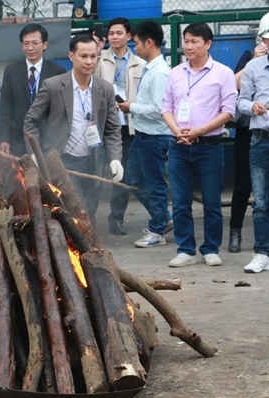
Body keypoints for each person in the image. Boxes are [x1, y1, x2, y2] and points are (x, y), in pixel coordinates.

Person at [24, 34, 124, 222]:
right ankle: (82, 246)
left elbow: (112, 129)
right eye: (83, 56)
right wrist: (35, 152)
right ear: (71, 56)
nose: (89, 61)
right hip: (63, 159)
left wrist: (115, 159)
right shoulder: (53, 86)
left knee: (90, 209)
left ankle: (85, 246)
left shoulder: (105, 89)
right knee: (76, 207)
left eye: (93, 56)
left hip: (93, 159)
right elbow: (31, 120)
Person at [161, 23, 237, 267]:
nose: (189, 46)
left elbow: (228, 112)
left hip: (209, 145)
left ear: (208, 43)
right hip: (178, 144)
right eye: (186, 41)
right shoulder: (175, 73)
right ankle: (186, 248)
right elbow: (166, 108)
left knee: (212, 200)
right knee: (181, 200)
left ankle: (211, 248)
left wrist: (198, 132)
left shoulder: (222, 73)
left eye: (194, 41)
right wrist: (178, 132)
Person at [119, 21, 172, 248]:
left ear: (149, 42)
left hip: (155, 136)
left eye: (137, 43)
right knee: (132, 181)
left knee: (154, 184)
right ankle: (163, 218)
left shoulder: (160, 73)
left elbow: (161, 111)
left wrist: (132, 107)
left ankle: (158, 229)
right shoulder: (150, 68)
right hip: (142, 135)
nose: (135, 47)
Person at [0, 23, 65, 193]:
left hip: (48, 140)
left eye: (35, 43)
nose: (30, 47)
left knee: (50, 187)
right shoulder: (12, 71)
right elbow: (5, 107)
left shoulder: (58, 72)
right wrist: (5, 138)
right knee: (22, 186)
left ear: (45, 45)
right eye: (26, 43)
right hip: (19, 139)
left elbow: (61, 111)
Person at [96, 17, 146, 235]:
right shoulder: (98, 59)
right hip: (100, 125)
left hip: (128, 126)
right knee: (94, 171)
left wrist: (130, 106)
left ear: (128, 36)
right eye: (111, 33)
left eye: (119, 33)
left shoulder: (139, 63)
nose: (115, 37)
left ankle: (116, 218)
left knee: (121, 174)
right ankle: (86, 218)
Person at [228, 21, 269, 253]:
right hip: (250, 131)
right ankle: (236, 231)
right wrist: (254, 59)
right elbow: (234, 85)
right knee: (244, 184)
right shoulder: (249, 59)